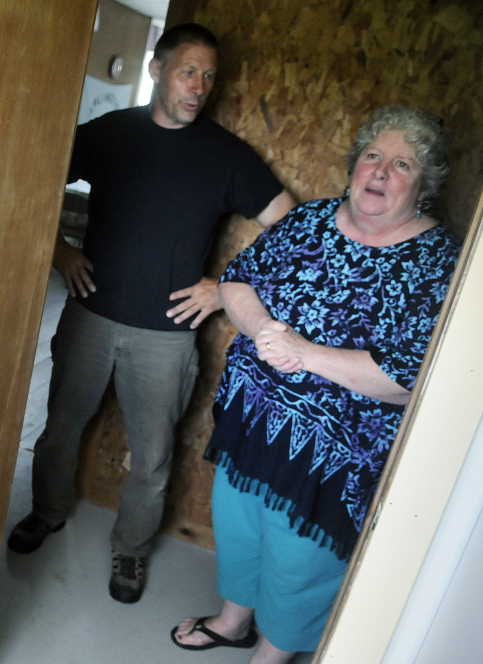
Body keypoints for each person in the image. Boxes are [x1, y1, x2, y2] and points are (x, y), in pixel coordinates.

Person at [6, 22, 296, 606]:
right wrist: (60, 253)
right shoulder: (111, 135)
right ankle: (47, 511)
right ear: (158, 69)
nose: (200, 86)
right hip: (90, 316)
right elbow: (27, 182)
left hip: (167, 338)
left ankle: (131, 551)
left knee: (154, 453)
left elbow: (292, 225)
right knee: (60, 427)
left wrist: (226, 287)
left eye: (210, 76)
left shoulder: (225, 156)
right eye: (189, 71)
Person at [170, 105, 462, 662]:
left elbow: (408, 378)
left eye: (400, 164)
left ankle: (272, 655)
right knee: (238, 526)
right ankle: (233, 622)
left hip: (333, 456)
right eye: (372, 156)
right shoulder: (311, 220)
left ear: (422, 186)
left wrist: (303, 355)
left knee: (301, 558)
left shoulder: (437, 262)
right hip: (254, 422)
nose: (379, 171)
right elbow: (237, 282)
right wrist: (264, 333)